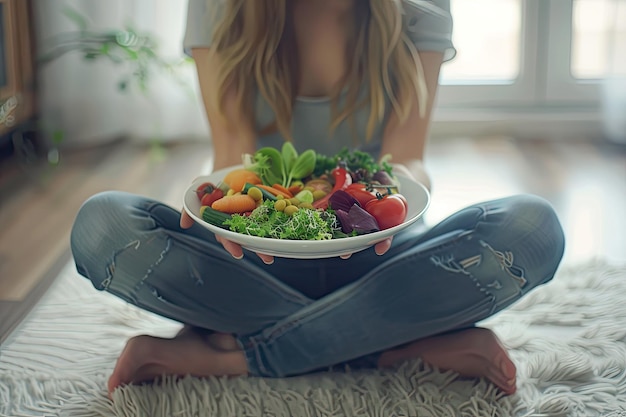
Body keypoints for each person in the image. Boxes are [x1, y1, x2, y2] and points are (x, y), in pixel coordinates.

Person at [70, 0, 565, 398]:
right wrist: (222, 204)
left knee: (533, 227)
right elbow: (232, 156)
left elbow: (408, 160)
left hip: (382, 256)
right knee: (100, 225)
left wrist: (386, 201)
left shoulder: (421, 7)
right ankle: (396, 343)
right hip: (256, 261)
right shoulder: (217, 6)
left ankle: (227, 354)